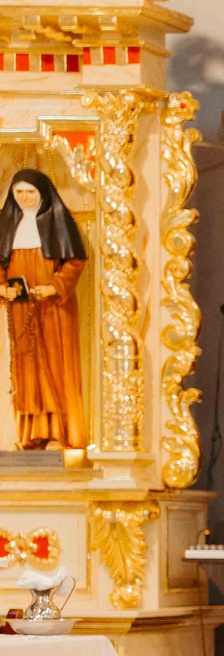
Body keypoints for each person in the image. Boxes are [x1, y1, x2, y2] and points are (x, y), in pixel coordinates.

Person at [1, 169, 86, 451]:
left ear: (43, 194)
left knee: (56, 367)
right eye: (19, 192)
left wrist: (53, 287)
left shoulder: (57, 222)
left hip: (54, 309)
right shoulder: (6, 225)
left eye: (30, 192)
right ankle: (30, 436)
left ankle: (60, 434)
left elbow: (73, 263)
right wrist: (4, 289)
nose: (24, 197)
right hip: (21, 309)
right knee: (27, 371)